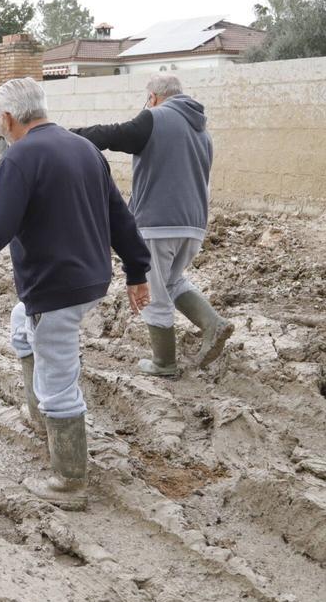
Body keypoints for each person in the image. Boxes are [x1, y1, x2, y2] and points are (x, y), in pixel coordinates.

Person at [0, 78, 151, 510]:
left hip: (56, 285)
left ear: (8, 118)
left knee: (57, 378)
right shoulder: (85, 149)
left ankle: (69, 481)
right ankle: (40, 415)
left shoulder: (21, 157)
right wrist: (137, 270)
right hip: (88, 278)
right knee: (21, 324)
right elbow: (120, 216)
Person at [71, 74, 232, 376]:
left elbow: (112, 134)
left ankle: (164, 363)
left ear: (154, 97)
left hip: (158, 224)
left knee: (155, 292)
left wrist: (68, 137)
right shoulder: (202, 131)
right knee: (171, 281)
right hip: (193, 225)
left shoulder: (155, 118)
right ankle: (213, 323)